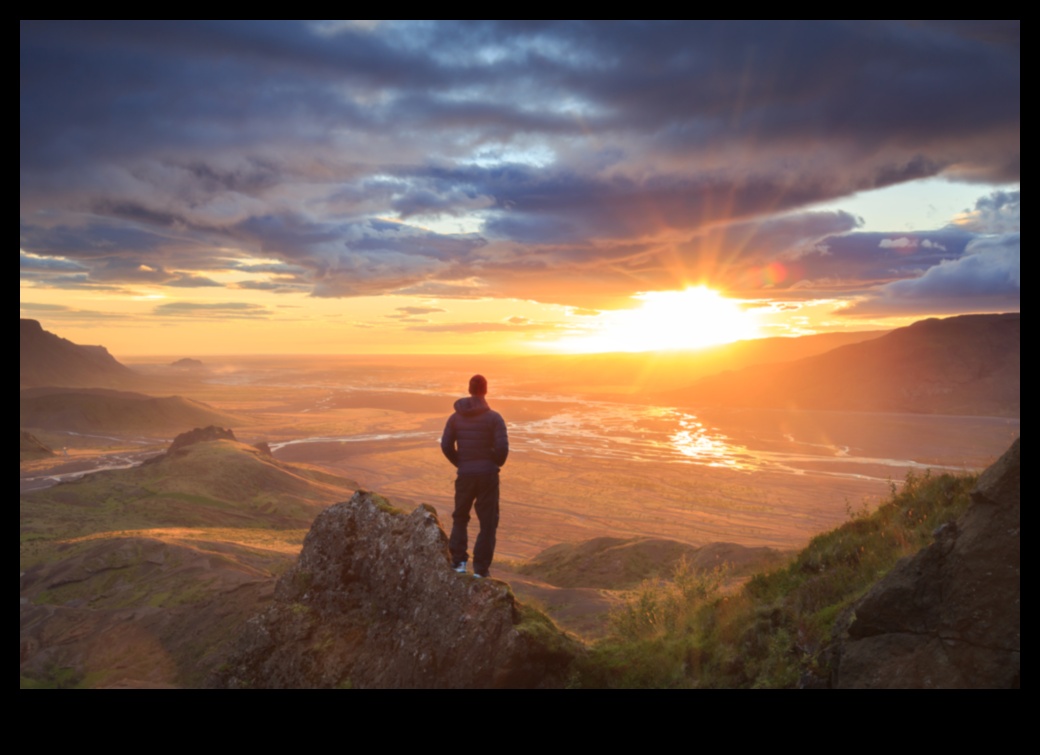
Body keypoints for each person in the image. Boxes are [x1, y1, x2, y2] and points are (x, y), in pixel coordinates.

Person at [440, 374, 508, 578]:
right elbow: (503, 448)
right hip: (488, 475)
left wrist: (461, 463)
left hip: (466, 475)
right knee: (487, 523)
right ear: (485, 390)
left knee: (460, 517)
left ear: (469, 390)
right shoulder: (494, 418)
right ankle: (480, 570)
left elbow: (445, 445)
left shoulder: (455, 418)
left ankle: (459, 562)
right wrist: (494, 462)